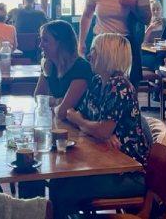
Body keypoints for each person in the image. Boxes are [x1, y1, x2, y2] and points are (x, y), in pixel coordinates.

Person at [51, 33, 148, 218]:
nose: (89, 55)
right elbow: (73, 113)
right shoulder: (97, 82)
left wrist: (87, 124)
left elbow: (97, 128)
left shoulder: (120, 86)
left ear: (107, 54)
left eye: (94, 51)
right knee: (59, 182)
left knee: (65, 190)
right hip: (106, 161)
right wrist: (93, 127)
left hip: (130, 173)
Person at [78, 0, 151, 85]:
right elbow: (87, 16)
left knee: (128, 85)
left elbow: (147, 19)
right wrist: (81, 42)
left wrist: (132, 5)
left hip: (125, 44)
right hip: (101, 42)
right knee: (98, 84)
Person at [34, 20, 93, 120]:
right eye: (41, 40)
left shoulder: (81, 67)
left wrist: (51, 103)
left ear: (61, 43)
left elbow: (63, 112)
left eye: (45, 40)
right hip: (62, 124)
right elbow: (38, 97)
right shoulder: (48, 64)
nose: (40, 45)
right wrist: (57, 101)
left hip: (81, 126)